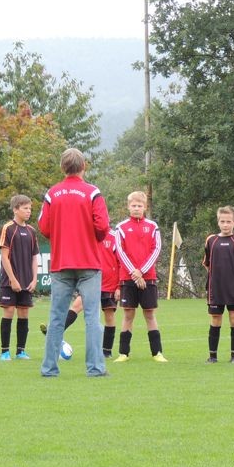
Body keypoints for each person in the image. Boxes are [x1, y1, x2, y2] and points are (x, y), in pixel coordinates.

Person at [38, 148, 111, 377]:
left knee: (56, 317)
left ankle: (49, 368)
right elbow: (103, 226)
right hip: (89, 262)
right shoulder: (92, 193)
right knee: (92, 317)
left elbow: (44, 227)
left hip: (61, 263)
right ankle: (96, 368)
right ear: (84, 166)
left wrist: (60, 237)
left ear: (63, 167)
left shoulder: (52, 194)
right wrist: (93, 240)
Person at [41, 226, 120, 358]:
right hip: (90, 281)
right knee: (76, 306)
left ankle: (106, 351)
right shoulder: (86, 234)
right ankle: (54, 333)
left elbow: (120, 262)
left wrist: (119, 286)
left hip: (108, 284)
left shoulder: (114, 237)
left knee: (109, 316)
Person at [114, 191, 167, 362]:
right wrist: (135, 275)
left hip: (148, 277)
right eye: (133, 205)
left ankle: (157, 352)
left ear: (145, 207)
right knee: (128, 315)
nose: (136, 208)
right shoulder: (120, 227)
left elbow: (156, 249)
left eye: (139, 206)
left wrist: (142, 272)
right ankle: (123, 353)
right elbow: (120, 252)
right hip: (128, 278)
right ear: (128, 207)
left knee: (149, 314)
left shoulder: (153, 226)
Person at [203, 206, 234, 363]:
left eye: (228, 221)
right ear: (218, 222)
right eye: (222, 221)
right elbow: (207, 263)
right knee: (215, 319)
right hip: (215, 289)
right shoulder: (211, 240)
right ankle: (212, 356)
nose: (225, 224)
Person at [0, 194, 39, 361]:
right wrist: (13, 279)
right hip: (10, 281)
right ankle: (4, 351)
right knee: (8, 311)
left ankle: (21, 351)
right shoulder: (8, 228)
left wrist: (34, 278)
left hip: (27, 280)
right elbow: (4, 256)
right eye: (25, 208)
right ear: (15, 210)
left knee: (24, 313)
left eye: (30, 208)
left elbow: (35, 257)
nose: (28, 211)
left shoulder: (31, 231)